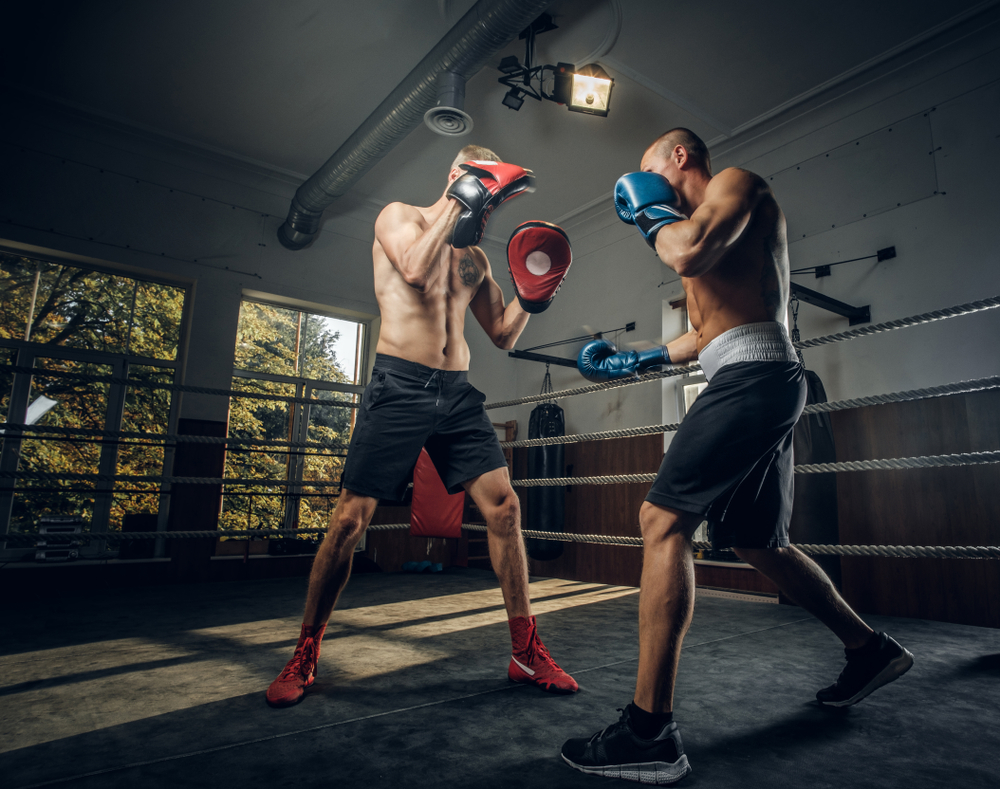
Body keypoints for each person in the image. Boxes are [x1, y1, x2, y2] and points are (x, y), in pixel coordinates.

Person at [563, 128, 913, 784]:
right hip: (749, 374)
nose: (641, 180)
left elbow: (687, 250)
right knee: (758, 540)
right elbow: (702, 333)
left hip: (755, 374)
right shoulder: (699, 229)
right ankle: (869, 649)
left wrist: (648, 210)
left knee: (661, 519)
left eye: (646, 167)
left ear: (678, 157)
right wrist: (635, 360)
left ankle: (648, 731)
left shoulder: (735, 185)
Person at [266, 145, 578, 708]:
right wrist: (463, 201)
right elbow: (412, 269)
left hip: (456, 393)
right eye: (485, 188)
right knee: (349, 521)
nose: (490, 204)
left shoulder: (475, 261)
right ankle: (305, 652)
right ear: (460, 178)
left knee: (505, 508)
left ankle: (525, 651)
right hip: (399, 385)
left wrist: (535, 296)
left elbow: (503, 335)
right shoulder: (399, 217)